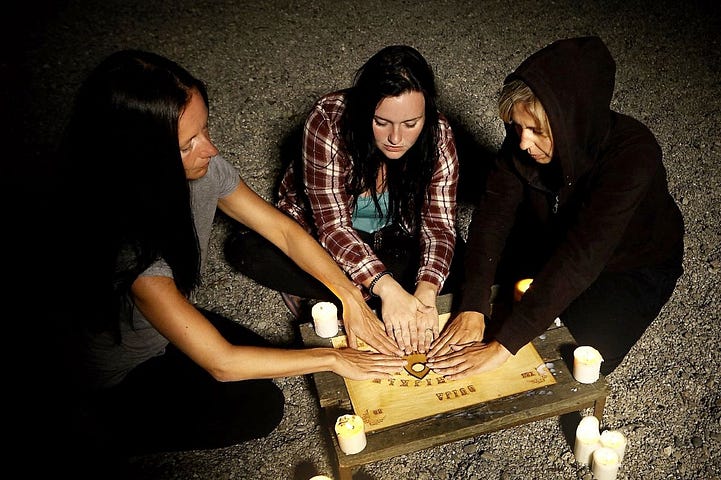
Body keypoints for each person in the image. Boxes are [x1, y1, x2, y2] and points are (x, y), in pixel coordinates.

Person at [49, 49, 405, 474]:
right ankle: (94, 427)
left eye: (204, 130)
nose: (211, 149)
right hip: (122, 376)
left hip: (163, 324)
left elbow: (285, 232)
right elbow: (222, 363)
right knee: (261, 406)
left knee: (273, 353)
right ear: (142, 158)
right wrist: (334, 360)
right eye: (188, 144)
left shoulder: (203, 168)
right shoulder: (130, 249)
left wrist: (350, 296)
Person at [427, 36, 684, 379]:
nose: (522, 142)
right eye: (517, 127)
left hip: (629, 265)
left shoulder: (634, 155)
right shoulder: (523, 140)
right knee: (471, 294)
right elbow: (493, 216)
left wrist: (503, 345)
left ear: (572, 124)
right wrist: (474, 303)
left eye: (536, 131)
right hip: (552, 234)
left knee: (574, 358)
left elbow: (583, 256)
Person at [226, 45, 463, 355]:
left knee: (462, 263)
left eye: (410, 124)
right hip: (323, 236)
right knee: (249, 249)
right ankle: (349, 291)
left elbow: (440, 225)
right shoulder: (328, 120)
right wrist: (387, 288)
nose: (395, 138)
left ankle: (346, 294)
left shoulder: (439, 133)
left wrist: (426, 294)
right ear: (365, 111)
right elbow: (333, 227)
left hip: (396, 234)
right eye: (381, 122)